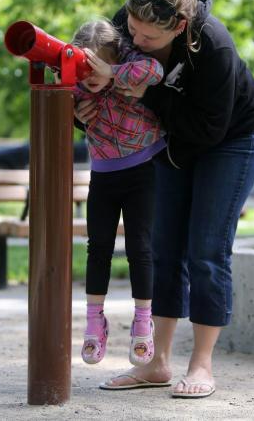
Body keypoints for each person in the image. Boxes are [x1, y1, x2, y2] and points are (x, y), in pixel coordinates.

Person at [75, 0, 254, 398]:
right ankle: (156, 363)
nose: (136, 39)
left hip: (230, 139)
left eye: (150, 35)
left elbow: (207, 131)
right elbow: (101, 87)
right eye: (132, 26)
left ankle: (201, 366)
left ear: (178, 27)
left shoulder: (213, 45)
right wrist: (84, 113)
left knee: (206, 250)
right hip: (164, 137)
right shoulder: (124, 28)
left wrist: (149, 95)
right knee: (164, 248)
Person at [71, 20, 167, 368]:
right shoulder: (79, 89)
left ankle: (143, 320)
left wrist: (112, 72)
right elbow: (58, 92)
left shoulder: (129, 70)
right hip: (104, 175)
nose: (89, 77)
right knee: (98, 248)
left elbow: (155, 70)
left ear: (113, 58)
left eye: (94, 67)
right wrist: (73, 111)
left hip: (143, 171)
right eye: (84, 68)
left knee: (140, 247)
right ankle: (94, 321)